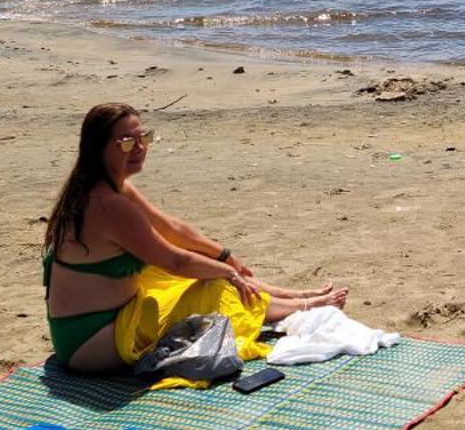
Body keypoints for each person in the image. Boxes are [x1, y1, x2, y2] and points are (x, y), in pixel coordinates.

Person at [44, 102, 344, 374]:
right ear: (98, 147)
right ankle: (302, 307)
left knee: (203, 270)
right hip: (91, 341)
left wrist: (224, 256)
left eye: (144, 137)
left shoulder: (111, 186)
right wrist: (226, 271)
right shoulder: (108, 204)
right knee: (212, 285)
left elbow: (173, 229)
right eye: (126, 142)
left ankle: (294, 296)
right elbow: (175, 260)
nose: (139, 148)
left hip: (102, 321)